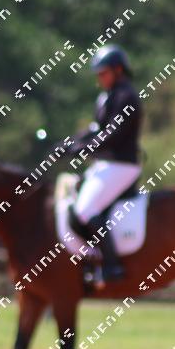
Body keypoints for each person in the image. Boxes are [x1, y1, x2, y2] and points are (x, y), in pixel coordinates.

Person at [66, 45, 143, 284]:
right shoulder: (106, 97)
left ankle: (112, 266)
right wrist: (70, 143)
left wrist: (83, 149)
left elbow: (112, 134)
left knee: (85, 210)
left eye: (103, 73)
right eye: (98, 74)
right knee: (74, 203)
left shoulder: (126, 97)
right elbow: (96, 129)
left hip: (122, 165)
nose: (99, 78)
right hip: (107, 165)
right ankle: (91, 261)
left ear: (118, 70)